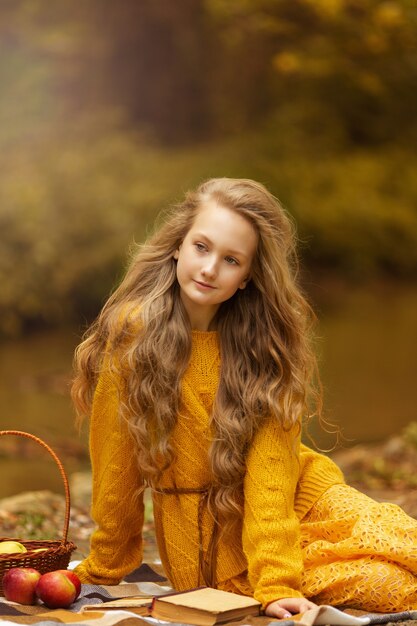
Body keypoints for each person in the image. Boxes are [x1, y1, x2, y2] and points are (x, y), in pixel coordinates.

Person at [72, 178, 417, 618]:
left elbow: (271, 481)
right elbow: (114, 457)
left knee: (403, 542)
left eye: (230, 259)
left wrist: (276, 582)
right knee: (391, 586)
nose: (210, 268)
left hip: (300, 498)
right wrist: (104, 561)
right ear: (178, 245)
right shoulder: (133, 334)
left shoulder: (264, 347)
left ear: (247, 276)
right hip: (218, 543)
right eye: (202, 247)